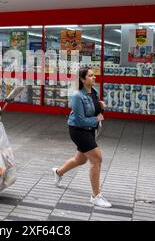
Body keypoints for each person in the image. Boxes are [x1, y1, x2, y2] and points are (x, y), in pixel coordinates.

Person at [52, 67, 112, 208]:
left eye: (94, 75)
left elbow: (93, 110)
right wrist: (97, 119)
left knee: (80, 160)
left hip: (89, 130)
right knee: (96, 159)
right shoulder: (77, 96)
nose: (94, 77)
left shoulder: (93, 92)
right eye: (90, 76)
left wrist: (100, 106)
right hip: (78, 130)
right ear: (82, 79)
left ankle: (58, 172)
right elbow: (79, 120)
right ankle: (95, 196)